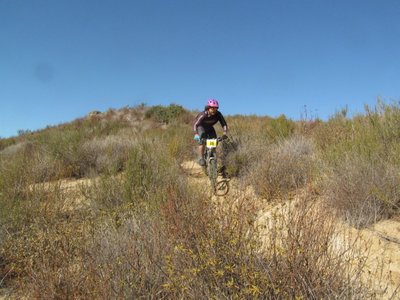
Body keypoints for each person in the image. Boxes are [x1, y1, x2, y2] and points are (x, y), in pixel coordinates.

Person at [193, 99, 228, 166]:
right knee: (202, 140)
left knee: (214, 141)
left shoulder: (218, 114)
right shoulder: (203, 115)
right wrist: (196, 134)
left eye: (216, 108)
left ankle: (212, 154)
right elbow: (195, 124)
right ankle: (201, 158)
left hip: (210, 128)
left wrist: (225, 133)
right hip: (201, 127)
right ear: (208, 108)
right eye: (212, 108)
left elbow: (224, 124)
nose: (214, 110)